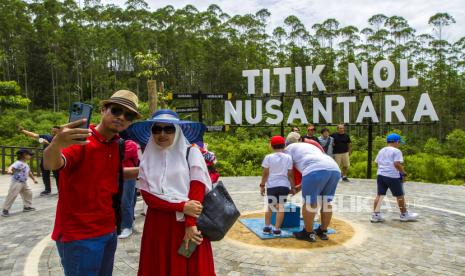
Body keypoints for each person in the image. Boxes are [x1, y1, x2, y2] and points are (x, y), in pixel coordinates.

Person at [43, 90, 141, 276]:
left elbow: (113, 174)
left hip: (108, 231)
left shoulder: (117, 144)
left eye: (128, 115)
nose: (121, 117)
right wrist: (56, 144)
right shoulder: (80, 139)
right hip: (79, 236)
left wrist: (144, 172)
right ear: (104, 109)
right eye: (116, 111)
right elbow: (51, 163)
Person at [130, 109, 215, 276]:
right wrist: (182, 206)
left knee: (189, 266)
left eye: (168, 129)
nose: (162, 134)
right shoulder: (147, 158)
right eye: (157, 129)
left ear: (177, 131)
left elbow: (197, 189)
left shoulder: (191, 152)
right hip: (158, 224)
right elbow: (148, 198)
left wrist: (190, 223)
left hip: (186, 223)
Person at [285, 141, 341, 242]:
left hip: (314, 170)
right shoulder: (309, 146)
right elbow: (316, 168)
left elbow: (287, 170)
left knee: (310, 202)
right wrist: (301, 186)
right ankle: (323, 231)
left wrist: (290, 187)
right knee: (326, 201)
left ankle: (308, 233)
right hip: (334, 169)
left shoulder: (288, 149)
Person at [371, 133, 418, 223]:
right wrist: (403, 174)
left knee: (380, 195)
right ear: (396, 141)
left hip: (380, 175)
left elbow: (376, 163)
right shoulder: (396, 151)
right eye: (399, 142)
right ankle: (404, 215)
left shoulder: (381, 150)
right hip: (392, 176)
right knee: (400, 196)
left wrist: (383, 169)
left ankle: (375, 215)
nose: (399, 144)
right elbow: (397, 164)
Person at [260, 136, 296, 236]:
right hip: (284, 185)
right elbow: (290, 174)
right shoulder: (288, 157)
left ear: (272, 146)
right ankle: (277, 229)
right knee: (280, 207)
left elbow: (265, 173)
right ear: (284, 145)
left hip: (272, 185)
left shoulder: (268, 157)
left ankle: (267, 227)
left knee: (270, 206)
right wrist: (293, 187)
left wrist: (262, 185)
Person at [18, 126, 60, 195]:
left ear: (59, 132)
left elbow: (59, 149)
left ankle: (60, 190)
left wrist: (48, 144)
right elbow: (34, 135)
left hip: (56, 159)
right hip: (45, 159)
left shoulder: (61, 139)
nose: (53, 133)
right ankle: (47, 190)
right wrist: (23, 131)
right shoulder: (47, 136)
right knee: (45, 174)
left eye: (55, 132)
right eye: (52, 131)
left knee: (57, 175)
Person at [2, 149, 38, 217]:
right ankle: (5, 210)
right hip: (16, 182)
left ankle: (27, 207)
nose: (31, 156)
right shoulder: (18, 163)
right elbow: (11, 167)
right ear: (24, 155)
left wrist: (34, 179)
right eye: (29, 155)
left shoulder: (26, 164)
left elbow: (29, 172)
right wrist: (9, 170)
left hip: (24, 183)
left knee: (28, 193)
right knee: (12, 195)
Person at [118, 139, 140, 239]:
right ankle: (129, 221)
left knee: (125, 201)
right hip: (119, 175)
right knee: (130, 199)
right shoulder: (116, 142)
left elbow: (120, 157)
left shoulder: (130, 143)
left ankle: (127, 226)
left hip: (129, 176)